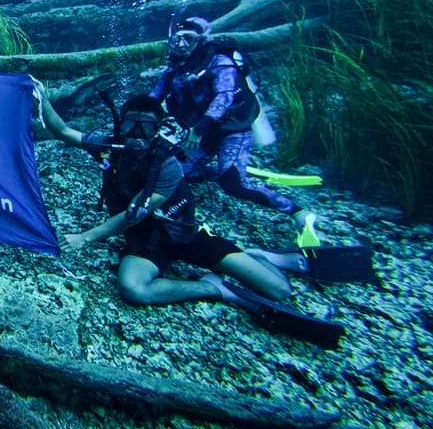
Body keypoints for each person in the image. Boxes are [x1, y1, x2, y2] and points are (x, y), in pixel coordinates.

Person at [38, 88, 292, 307]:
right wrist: (42, 97)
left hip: (187, 236)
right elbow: (63, 131)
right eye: (130, 125)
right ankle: (213, 288)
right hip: (146, 242)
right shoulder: (109, 147)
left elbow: (133, 215)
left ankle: (259, 256)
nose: (136, 133)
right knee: (133, 290)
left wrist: (85, 237)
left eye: (145, 127)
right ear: (119, 124)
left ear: (157, 130)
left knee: (279, 290)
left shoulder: (168, 165)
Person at [150, 16, 321, 247]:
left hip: (233, 129)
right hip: (201, 133)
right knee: (178, 173)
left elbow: (225, 96)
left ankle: (297, 211)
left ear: (199, 40)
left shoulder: (219, 61)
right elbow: (152, 99)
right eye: (176, 41)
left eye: (188, 39)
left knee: (234, 185)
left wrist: (199, 129)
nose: (181, 46)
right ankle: (223, 169)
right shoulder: (173, 71)